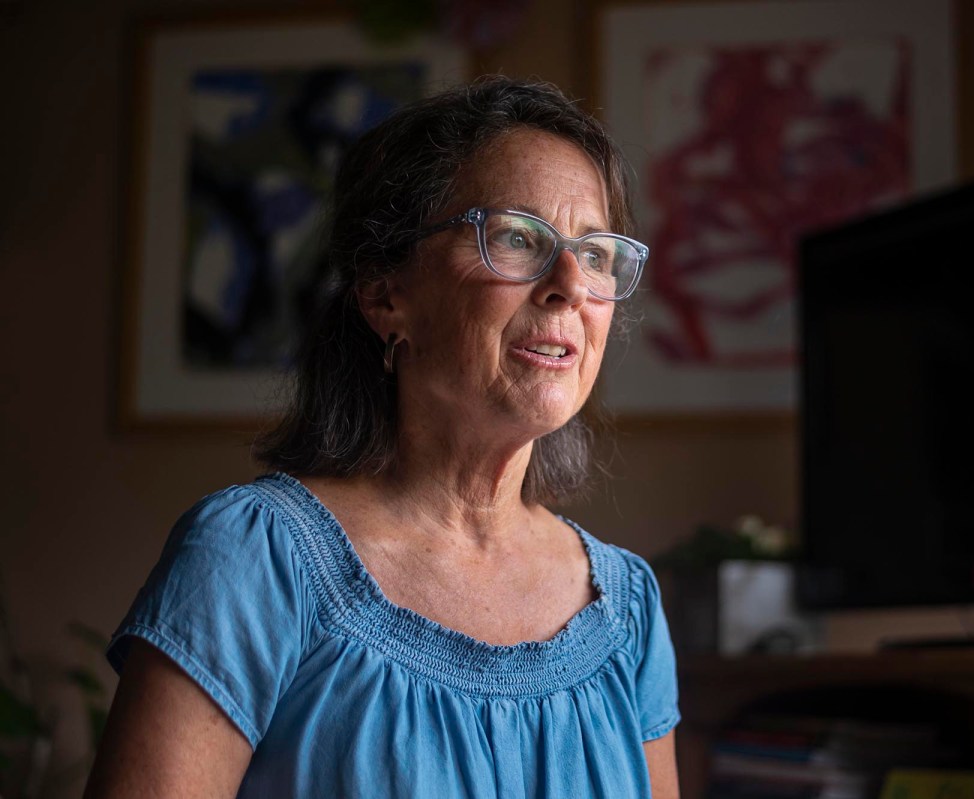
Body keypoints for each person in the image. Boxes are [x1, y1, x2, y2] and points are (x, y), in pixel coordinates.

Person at [84, 76, 680, 798]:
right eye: (517, 238)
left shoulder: (626, 608)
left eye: (596, 254)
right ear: (385, 293)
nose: (570, 285)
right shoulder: (253, 559)